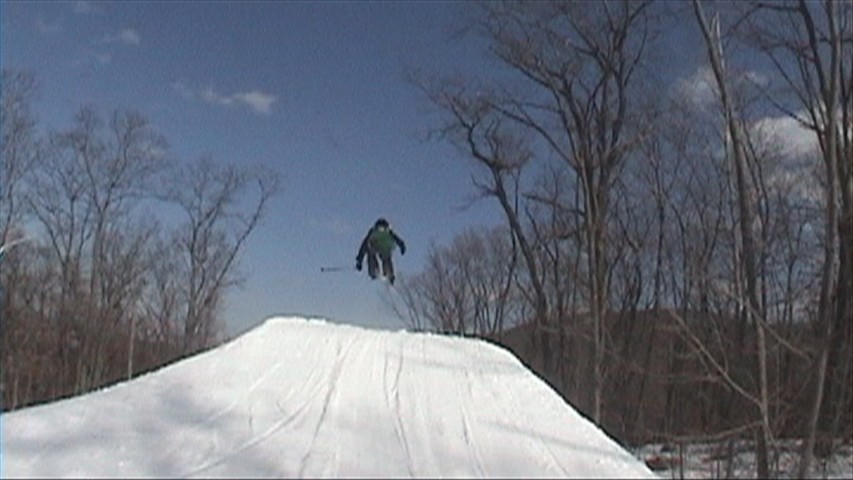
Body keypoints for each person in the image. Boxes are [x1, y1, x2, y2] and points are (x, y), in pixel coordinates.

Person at [356, 218, 406, 285]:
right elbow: (364, 246)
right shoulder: (376, 233)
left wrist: (360, 260)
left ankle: (386, 273)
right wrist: (359, 260)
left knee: (385, 256)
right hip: (378, 246)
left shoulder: (387, 232)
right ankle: (377, 271)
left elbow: (364, 246)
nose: (381, 230)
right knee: (375, 253)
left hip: (384, 247)